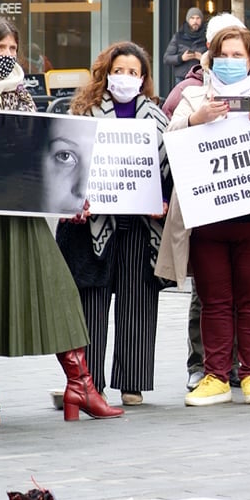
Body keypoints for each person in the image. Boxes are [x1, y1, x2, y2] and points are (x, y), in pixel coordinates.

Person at [0, 16, 117, 427]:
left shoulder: (19, 90)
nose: (8, 57)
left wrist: (68, 193)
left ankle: (80, 384)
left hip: (19, 206)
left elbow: (41, 142)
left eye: (13, 50)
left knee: (55, 290)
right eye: (0, 50)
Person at [158, 22, 250, 407]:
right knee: (214, 300)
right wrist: (196, 119)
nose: (229, 61)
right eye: (222, 55)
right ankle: (215, 376)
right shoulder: (194, 98)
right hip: (208, 220)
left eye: (237, 55)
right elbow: (170, 140)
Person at [55, 42, 169, 409]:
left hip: (140, 224)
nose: (126, 78)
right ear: (106, 73)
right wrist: (72, 201)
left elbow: (169, 170)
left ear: (143, 78)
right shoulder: (82, 113)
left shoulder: (157, 117)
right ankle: (90, 382)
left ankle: (132, 382)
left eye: (133, 73)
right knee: (91, 303)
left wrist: (163, 201)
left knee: (138, 300)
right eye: (119, 70)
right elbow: (64, 165)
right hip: (92, 225)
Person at [165, 6, 209, 95]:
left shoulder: (207, 37)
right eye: (192, 18)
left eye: (198, 18)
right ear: (188, 20)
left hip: (200, 77)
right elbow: (167, 58)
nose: (195, 21)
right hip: (182, 78)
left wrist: (202, 58)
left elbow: (214, 57)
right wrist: (181, 58)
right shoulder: (178, 36)